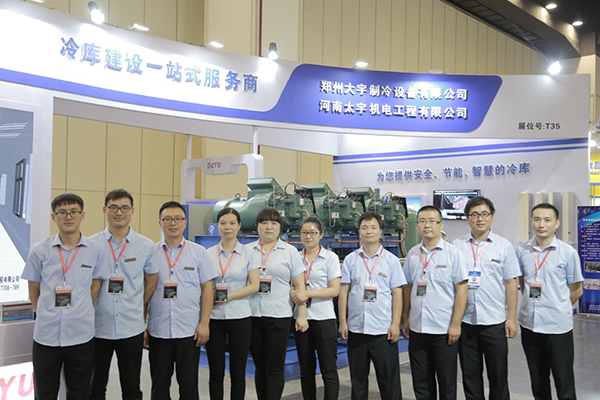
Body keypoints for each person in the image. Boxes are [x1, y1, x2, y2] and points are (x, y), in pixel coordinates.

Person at [21, 192, 110, 399]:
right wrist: (44, 312)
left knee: (80, 392)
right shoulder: (40, 250)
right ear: (54, 217)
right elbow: (33, 289)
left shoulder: (96, 250)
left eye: (73, 212)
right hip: (46, 336)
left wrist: (80, 308)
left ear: (82, 215)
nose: (68, 217)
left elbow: (95, 287)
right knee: (45, 393)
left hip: (81, 335)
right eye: (62, 212)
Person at [89, 189, 159, 400]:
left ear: (132, 211)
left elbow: (152, 281)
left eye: (124, 208)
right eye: (114, 207)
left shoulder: (145, 245)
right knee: (94, 388)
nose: (119, 212)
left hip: (131, 327)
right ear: (105, 210)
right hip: (97, 327)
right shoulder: (91, 245)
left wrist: (137, 303)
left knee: (131, 388)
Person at [146, 201, 218, 400]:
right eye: (167, 219)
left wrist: (204, 323)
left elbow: (207, 289)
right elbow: (144, 291)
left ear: (185, 223)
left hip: (189, 331)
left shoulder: (198, 252)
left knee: (189, 386)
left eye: (178, 219)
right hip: (158, 330)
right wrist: (143, 325)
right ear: (160, 223)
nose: (173, 223)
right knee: (159, 387)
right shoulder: (150, 253)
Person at [452, 197, 520, 400]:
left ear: (492, 216)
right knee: (470, 376)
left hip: (494, 321)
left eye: (484, 214)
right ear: (467, 218)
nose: (479, 219)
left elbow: (511, 283)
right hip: (466, 322)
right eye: (474, 214)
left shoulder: (504, 246)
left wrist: (512, 318)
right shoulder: (457, 246)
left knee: (498, 375)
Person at [517, 203, 583, 400]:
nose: (541, 224)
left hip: (557, 327)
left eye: (547, 220)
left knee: (564, 380)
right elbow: (522, 282)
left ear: (557, 223)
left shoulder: (567, 252)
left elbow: (577, 290)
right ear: (531, 222)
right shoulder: (522, 251)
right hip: (530, 325)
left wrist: (559, 307)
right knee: (538, 380)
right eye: (537, 219)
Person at [401, 205, 468, 400]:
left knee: (446, 382)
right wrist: (405, 318)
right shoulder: (413, 254)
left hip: (443, 330)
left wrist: (456, 324)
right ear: (417, 226)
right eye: (422, 221)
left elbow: (462, 289)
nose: (427, 225)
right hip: (418, 328)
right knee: (421, 382)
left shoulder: (453, 254)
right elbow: (408, 287)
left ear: (440, 225)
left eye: (432, 221)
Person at [338, 211, 406, 400]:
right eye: (364, 228)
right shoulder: (351, 259)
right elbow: (343, 292)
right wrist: (343, 322)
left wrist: (395, 324)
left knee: (389, 381)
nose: (369, 231)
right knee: (358, 381)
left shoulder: (391, 261)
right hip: (357, 330)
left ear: (380, 232)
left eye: (373, 227)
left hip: (383, 331)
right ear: (359, 232)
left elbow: (397, 294)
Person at [247, 207, 308, 400]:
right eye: (264, 222)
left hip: (279, 316)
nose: (269, 227)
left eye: (273, 223)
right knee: (259, 366)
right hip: (252, 315)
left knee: (274, 366)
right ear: (257, 226)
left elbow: (300, 286)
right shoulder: (247, 251)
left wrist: (302, 315)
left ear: (280, 227)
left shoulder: (290, 252)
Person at [205, 208, 260, 400]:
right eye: (223, 223)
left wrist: (228, 297)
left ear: (239, 226)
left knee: (238, 372)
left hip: (240, 317)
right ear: (217, 226)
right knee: (216, 371)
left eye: (231, 223)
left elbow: (254, 285)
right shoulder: (208, 254)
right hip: (214, 318)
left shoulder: (249, 253)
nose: (227, 227)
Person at [290, 217, 341, 400]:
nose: (308, 236)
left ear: (321, 235)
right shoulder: (295, 258)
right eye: (304, 232)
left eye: (313, 232)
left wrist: (307, 293)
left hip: (324, 319)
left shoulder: (330, 258)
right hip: (301, 319)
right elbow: (290, 285)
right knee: (306, 370)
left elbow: (334, 290)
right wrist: (294, 292)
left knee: (328, 370)